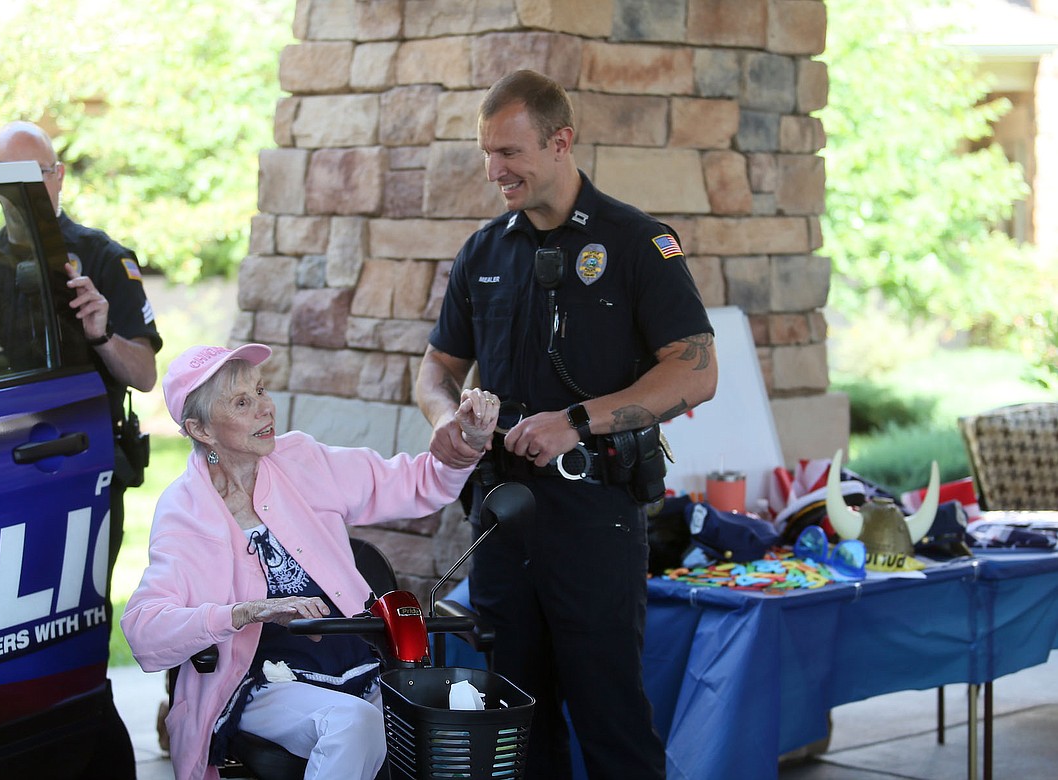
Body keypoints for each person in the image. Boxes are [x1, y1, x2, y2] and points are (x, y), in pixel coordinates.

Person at [415, 69, 719, 779]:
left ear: (560, 143)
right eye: (487, 153)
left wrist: (576, 423)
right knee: (511, 726)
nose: (495, 171)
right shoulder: (484, 251)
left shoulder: (639, 243)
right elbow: (433, 370)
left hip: (594, 515)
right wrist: (445, 418)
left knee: (610, 718)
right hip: (501, 516)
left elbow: (696, 371)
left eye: (510, 153)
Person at [120, 343, 499, 780]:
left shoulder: (300, 458)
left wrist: (468, 441)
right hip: (259, 681)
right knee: (352, 725)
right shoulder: (185, 510)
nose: (266, 409)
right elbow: (144, 630)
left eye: (261, 391)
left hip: (354, 658)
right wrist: (244, 613)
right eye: (243, 402)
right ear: (200, 429)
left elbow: (419, 483)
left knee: (449, 726)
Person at [0, 120, 162, 777]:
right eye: (3, 184)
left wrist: (99, 332)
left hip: (76, 473)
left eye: (34, 179)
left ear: (58, 177)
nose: (21, 195)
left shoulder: (102, 257)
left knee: (73, 627)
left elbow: (143, 373)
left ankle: (89, 749)